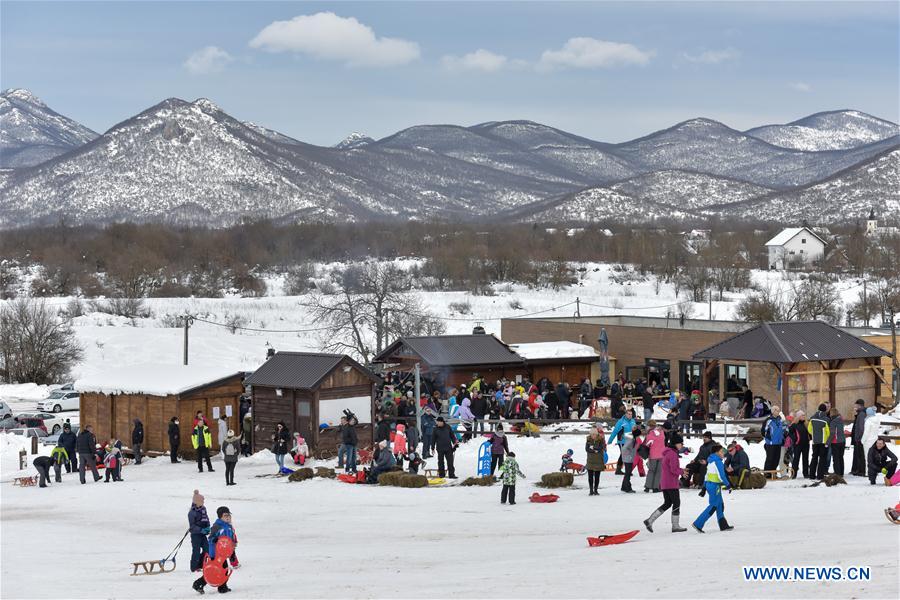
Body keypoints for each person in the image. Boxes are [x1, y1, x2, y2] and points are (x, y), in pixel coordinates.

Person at [643, 432, 687, 533]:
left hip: (665, 483)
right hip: (671, 483)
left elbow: (671, 468)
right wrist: (682, 472)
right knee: (676, 502)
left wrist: (681, 470)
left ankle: (650, 520)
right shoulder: (673, 454)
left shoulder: (668, 452)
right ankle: (675, 526)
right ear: (675, 444)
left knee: (667, 503)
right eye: (680, 443)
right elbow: (673, 469)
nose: (682, 445)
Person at [193, 506, 236, 594]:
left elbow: (230, 540)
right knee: (217, 570)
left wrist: (232, 553)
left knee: (222, 569)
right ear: (220, 517)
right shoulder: (217, 526)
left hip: (224, 553)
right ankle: (201, 584)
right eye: (225, 515)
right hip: (216, 553)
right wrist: (214, 543)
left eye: (229, 515)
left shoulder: (229, 527)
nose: (228, 517)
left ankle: (221, 587)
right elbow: (210, 539)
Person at [692, 444, 734, 533]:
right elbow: (721, 475)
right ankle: (698, 523)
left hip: (711, 485)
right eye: (722, 451)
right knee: (713, 506)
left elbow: (707, 475)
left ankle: (723, 525)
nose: (723, 453)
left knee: (720, 504)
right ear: (717, 452)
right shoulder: (717, 462)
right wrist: (728, 485)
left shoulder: (711, 461)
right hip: (714, 486)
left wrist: (704, 487)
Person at [607, 408, 636, 476]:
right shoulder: (621, 422)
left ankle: (619, 469)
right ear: (625, 414)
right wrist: (610, 440)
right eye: (628, 414)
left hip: (630, 440)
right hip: (622, 441)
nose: (630, 415)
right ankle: (626, 470)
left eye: (631, 414)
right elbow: (615, 431)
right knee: (625, 454)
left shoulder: (633, 421)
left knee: (624, 455)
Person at [189, 490, 210, 573]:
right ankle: (194, 567)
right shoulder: (191, 513)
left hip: (203, 534)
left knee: (207, 549)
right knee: (196, 551)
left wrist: (208, 527)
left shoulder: (203, 509)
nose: (203, 502)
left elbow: (206, 518)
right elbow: (192, 526)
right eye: (202, 501)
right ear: (197, 501)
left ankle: (201, 565)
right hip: (195, 535)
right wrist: (201, 530)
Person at [808, 404, 831, 481]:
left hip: (815, 441)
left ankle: (811, 475)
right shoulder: (826, 419)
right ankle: (820, 475)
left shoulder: (812, 418)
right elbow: (828, 431)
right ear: (825, 410)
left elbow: (809, 429)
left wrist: (814, 435)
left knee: (814, 457)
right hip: (823, 442)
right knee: (822, 458)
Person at [642, 420, 665, 493]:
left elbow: (647, 444)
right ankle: (655, 487)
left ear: (649, 426)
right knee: (659, 472)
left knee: (651, 471)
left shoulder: (650, 434)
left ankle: (648, 487)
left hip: (653, 455)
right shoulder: (661, 432)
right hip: (661, 454)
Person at [762, 406, 786, 472]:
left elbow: (784, 429)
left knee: (776, 459)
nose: (779, 412)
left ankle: (773, 473)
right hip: (771, 443)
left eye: (779, 410)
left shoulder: (780, 420)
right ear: (773, 411)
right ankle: (767, 474)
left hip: (778, 443)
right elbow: (763, 431)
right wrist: (769, 438)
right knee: (770, 459)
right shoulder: (768, 420)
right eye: (777, 410)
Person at [788, 411, 810, 479]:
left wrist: (809, 438)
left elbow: (810, 433)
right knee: (796, 459)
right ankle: (793, 474)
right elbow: (790, 433)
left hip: (806, 444)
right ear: (798, 416)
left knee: (805, 459)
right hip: (798, 444)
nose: (804, 416)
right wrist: (795, 439)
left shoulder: (806, 424)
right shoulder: (794, 424)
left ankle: (806, 474)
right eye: (802, 415)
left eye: (804, 415)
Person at [585, 427, 607, 496]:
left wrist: (593, 448)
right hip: (590, 461)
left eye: (594, 434)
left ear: (597, 434)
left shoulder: (601, 440)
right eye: (592, 434)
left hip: (598, 461)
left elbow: (601, 448)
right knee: (590, 476)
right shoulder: (588, 440)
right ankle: (591, 490)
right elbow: (587, 449)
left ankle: (596, 490)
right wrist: (594, 450)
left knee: (597, 476)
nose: (593, 436)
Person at [850, 399, 869, 477]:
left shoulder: (861, 414)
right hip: (859, 438)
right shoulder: (860, 413)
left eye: (856, 406)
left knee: (860, 455)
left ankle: (861, 470)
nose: (855, 407)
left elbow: (861, 427)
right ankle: (857, 469)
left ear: (859, 405)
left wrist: (858, 437)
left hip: (860, 438)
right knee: (858, 454)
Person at [620, 426, 641, 493]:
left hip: (629, 457)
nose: (639, 437)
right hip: (628, 458)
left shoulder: (632, 438)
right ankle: (627, 488)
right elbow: (625, 448)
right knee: (628, 473)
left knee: (627, 473)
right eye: (638, 435)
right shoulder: (631, 440)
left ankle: (623, 487)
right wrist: (630, 454)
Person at [828, 408, 846, 476]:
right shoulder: (840, 419)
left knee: (836, 459)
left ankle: (837, 473)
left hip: (835, 442)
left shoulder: (833, 421)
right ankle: (841, 473)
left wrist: (828, 442)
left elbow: (832, 433)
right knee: (841, 457)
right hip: (842, 441)